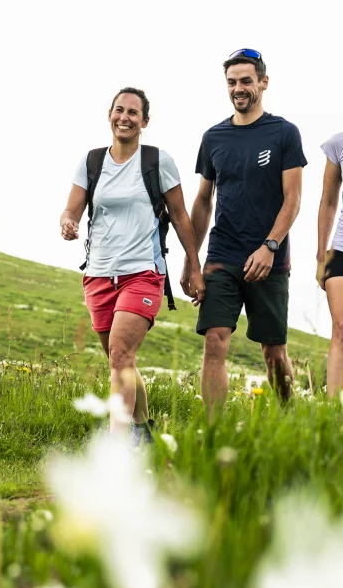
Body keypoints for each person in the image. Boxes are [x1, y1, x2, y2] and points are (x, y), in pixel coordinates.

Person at [60, 86, 205, 440]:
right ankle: (143, 432)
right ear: (110, 114)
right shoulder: (92, 161)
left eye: (132, 113)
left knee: (121, 355)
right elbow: (72, 208)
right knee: (119, 360)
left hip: (142, 272)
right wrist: (68, 222)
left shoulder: (157, 161)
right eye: (119, 110)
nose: (124, 118)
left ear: (144, 121)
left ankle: (119, 446)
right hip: (97, 274)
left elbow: (180, 214)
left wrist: (194, 264)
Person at [181, 49, 306, 412]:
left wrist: (270, 246)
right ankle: (216, 434)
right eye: (232, 82)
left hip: (269, 258)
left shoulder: (284, 133)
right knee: (215, 340)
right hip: (222, 256)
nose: (239, 88)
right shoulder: (214, 137)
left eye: (246, 81)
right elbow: (203, 201)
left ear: (263, 83)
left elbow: (293, 199)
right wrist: (192, 260)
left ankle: (290, 420)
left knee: (273, 352)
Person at [316, 132, 343, 395]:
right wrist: (321, 257)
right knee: (340, 328)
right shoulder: (338, 143)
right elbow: (328, 201)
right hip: (340, 251)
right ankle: (334, 412)